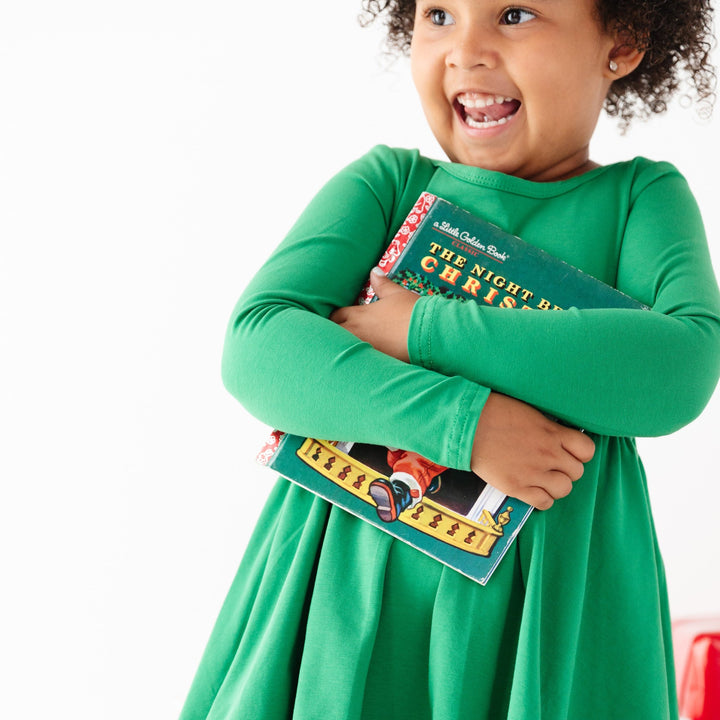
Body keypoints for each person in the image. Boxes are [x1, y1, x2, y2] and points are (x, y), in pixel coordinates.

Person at [179, 0, 720, 718]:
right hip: (348, 593)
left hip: (552, 615)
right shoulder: (389, 185)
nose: (465, 50)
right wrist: (468, 425)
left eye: (516, 15)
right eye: (438, 13)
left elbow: (677, 370)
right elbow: (259, 343)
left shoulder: (639, 201)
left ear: (620, 43)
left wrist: (422, 328)